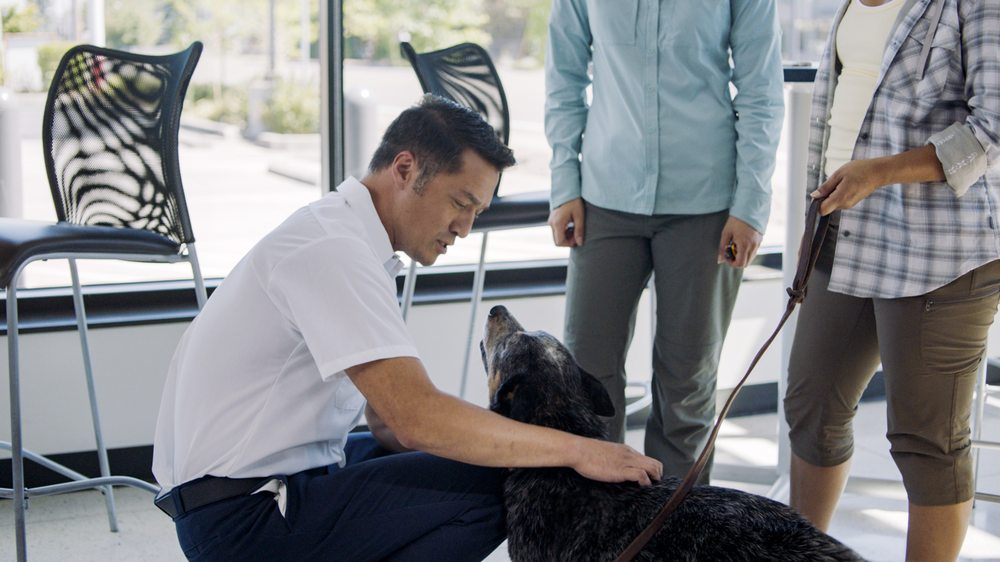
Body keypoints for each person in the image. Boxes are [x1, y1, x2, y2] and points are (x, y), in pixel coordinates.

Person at [151, 95, 662, 562]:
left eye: (477, 212)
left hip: (256, 491)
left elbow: (387, 425)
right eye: (460, 203)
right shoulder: (334, 251)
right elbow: (415, 418)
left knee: (489, 459)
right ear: (404, 169)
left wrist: (505, 446)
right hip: (243, 521)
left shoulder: (348, 238)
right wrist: (579, 450)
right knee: (496, 488)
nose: (465, 228)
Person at [782, 1, 1000, 560]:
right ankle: (806, 554)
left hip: (938, 251)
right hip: (841, 233)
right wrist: (811, 225)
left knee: (927, 442)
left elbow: (992, 128)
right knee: (812, 408)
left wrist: (879, 172)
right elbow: (837, 118)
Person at [544, 0, 784, 482]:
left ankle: (675, 519)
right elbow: (564, 79)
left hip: (707, 203)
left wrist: (750, 206)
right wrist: (564, 184)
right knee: (587, 375)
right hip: (605, 197)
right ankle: (599, 520)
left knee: (686, 385)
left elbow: (761, 92)